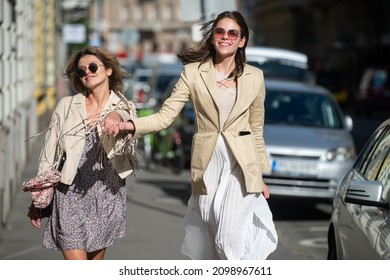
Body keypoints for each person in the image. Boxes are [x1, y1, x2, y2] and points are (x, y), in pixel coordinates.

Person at [103, 10, 278, 260]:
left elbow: (256, 128)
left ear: (242, 41)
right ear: (213, 37)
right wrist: (130, 125)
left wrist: (259, 174)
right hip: (207, 165)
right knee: (212, 235)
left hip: (241, 166)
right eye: (220, 31)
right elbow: (165, 116)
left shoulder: (255, 77)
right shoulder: (193, 73)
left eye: (232, 33)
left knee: (229, 239)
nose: (225, 37)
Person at [28, 46, 138, 260]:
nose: (87, 72)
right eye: (81, 71)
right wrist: (38, 198)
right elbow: (48, 153)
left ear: (108, 70)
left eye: (93, 67)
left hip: (107, 195)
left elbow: (127, 116)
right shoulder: (67, 106)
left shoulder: (124, 106)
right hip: (69, 194)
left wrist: (116, 116)